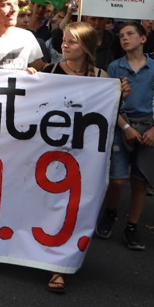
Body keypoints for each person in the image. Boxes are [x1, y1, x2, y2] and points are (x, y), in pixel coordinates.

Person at [40, 20, 108, 293]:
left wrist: (121, 95)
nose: (64, 45)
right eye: (63, 40)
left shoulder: (102, 78)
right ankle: (40, 252)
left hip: (85, 155)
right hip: (50, 152)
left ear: (87, 46)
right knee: (48, 205)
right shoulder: (50, 71)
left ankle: (60, 265)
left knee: (74, 208)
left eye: (71, 41)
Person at [98, 21, 154, 251]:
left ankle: (132, 226)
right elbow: (110, 104)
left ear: (143, 39)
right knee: (117, 179)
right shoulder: (115, 67)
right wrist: (125, 128)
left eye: (130, 34)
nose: (124, 38)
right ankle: (111, 212)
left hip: (149, 126)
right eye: (121, 35)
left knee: (140, 181)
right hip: (121, 125)